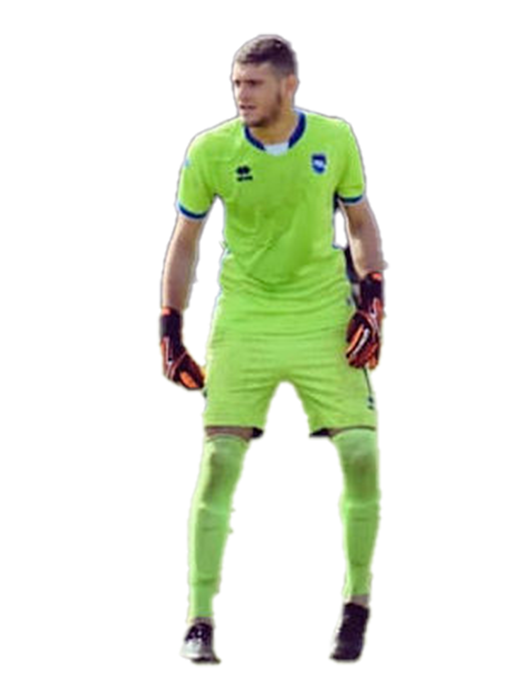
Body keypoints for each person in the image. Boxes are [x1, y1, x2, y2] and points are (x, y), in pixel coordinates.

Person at [160, 35, 385, 666]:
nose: (240, 95)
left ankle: (356, 603)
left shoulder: (335, 138)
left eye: (253, 84)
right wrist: (170, 326)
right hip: (246, 315)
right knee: (219, 462)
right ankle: (198, 623)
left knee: (361, 452)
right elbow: (185, 239)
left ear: (288, 86)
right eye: (236, 84)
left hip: (320, 312)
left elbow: (359, 221)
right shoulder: (210, 149)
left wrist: (371, 295)